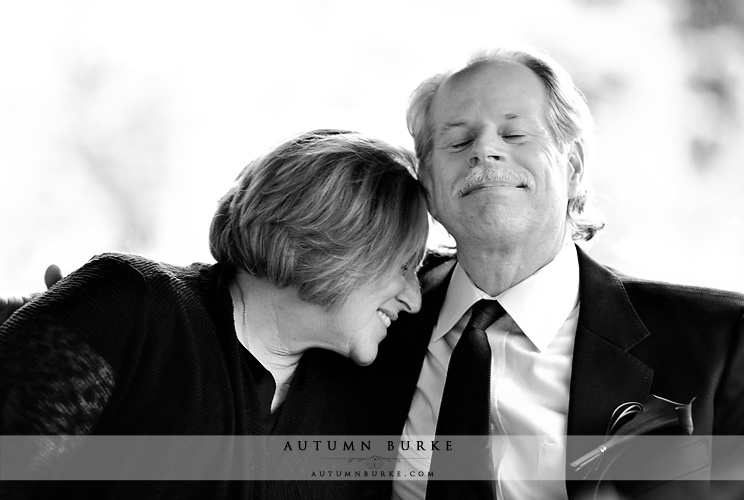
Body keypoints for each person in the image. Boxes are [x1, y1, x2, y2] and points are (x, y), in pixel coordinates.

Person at [369, 47, 744, 500]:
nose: (485, 150)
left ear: (573, 168)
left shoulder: (720, 341)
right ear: (428, 184)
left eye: (514, 134)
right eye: (458, 141)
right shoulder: (370, 319)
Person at [0, 129, 428, 500]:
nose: (415, 297)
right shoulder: (134, 308)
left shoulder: (357, 404)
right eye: (405, 266)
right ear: (329, 242)